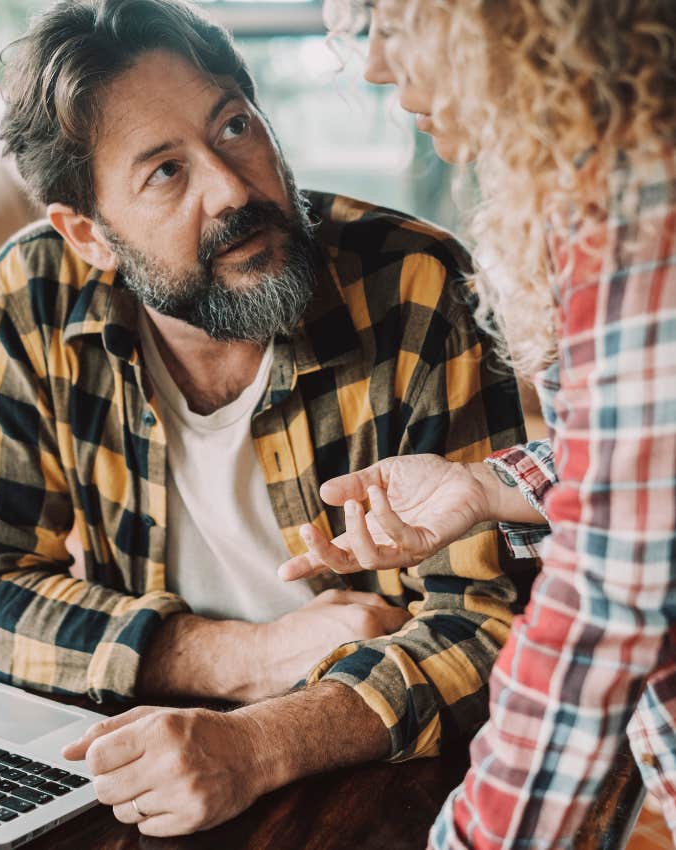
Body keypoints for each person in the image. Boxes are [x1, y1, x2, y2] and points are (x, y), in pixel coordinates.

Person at [0, 0, 536, 837]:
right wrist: (246, 656)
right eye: (165, 172)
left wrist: (260, 743)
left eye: (235, 127)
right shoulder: (34, 295)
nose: (234, 189)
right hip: (150, 760)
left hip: (370, 768)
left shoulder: (416, 283)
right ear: (88, 234)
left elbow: (486, 624)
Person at [285, 0, 676, 846]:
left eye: (394, 24)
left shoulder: (642, 213)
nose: (376, 65)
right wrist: (486, 487)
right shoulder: (602, 178)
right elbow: (646, 471)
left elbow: (603, 610)